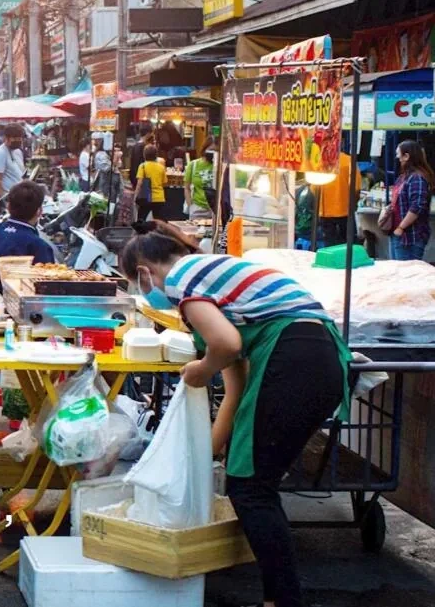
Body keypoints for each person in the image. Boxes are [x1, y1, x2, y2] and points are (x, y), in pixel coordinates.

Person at [119, 228, 351, 607]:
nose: (146, 293)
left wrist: (201, 369)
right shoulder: (214, 280)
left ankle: (283, 601)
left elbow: (226, 345)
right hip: (318, 360)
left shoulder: (182, 279)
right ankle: (278, 599)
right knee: (249, 484)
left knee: (252, 489)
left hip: (294, 358)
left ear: (144, 272)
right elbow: (236, 388)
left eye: (137, 283)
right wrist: (203, 459)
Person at [0, 181, 55, 292]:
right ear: (39, 211)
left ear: (8, 207)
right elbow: (48, 288)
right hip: (21, 301)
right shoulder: (40, 246)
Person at [388, 140, 435, 261]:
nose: (397, 158)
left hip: (410, 237)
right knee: (397, 270)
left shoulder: (416, 178)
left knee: (407, 271)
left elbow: (417, 206)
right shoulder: (404, 177)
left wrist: (401, 228)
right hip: (398, 234)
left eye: (399, 154)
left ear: (406, 156)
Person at [316, 152, 361, 246]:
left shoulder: (319, 161)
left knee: (330, 245)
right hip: (346, 210)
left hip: (325, 211)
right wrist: (354, 205)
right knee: (349, 244)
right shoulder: (348, 161)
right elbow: (356, 188)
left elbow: (314, 189)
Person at [0, 125, 26, 200]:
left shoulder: (18, 152)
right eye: (14, 138)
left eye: (19, 138)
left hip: (19, 197)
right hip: (8, 197)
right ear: (6, 138)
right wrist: (3, 199)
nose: (18, 140)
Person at [134, 144, 167, 221]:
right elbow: (164, 183)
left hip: (146, 197)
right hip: (159, 197)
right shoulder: (161, 167)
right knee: (159, 221)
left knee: (141, 219)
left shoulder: (143, 166)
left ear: (144, 155)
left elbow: (140, 183)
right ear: (156, 155)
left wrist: (135, 196)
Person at [183, 148, 216, 220]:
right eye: (211, 149)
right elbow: (187, 188)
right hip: (197, 207)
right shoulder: (193, 165)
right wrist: (191, 206)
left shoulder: (218, 165)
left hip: (215, 209)